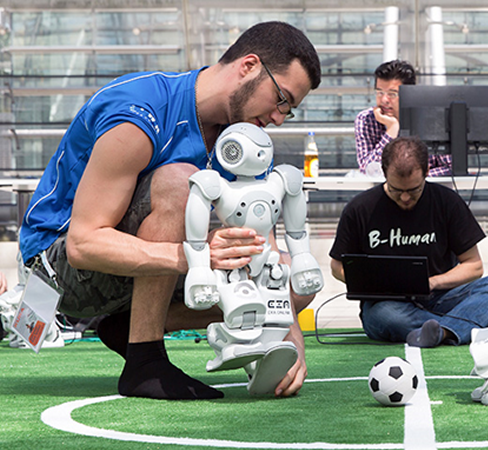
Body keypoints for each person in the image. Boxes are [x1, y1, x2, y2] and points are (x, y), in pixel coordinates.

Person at [18, 21, 321, 400]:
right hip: (58, 268)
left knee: (294, 284)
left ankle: (125, 327)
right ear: (248, 66)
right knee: (180, 179)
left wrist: (288, 339)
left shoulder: (243, 139)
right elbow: (84, 244)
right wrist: (196, 255)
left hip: (138, 266)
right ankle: (144, 362)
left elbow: (263, 246)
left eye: (289, 110)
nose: (279, 117)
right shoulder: (139, 111)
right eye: (282, 99)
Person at [329, 136, 488, 347]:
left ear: (427, 172)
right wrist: (373, 284)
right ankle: (461, 326)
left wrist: (433, 282)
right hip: (389, 304)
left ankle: (443, 331)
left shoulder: (447, 202)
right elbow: (337, 267)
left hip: (443, 297)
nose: (405, 198)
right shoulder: (360, 208)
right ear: (384, 174)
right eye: (396, 190)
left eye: (414, 190)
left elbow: (474, 266)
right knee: (385, 317)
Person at [354, 60, 451, 177]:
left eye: (392, 94)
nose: (384, 100)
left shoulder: (431, 119)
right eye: (380, 92)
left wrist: (411, 180)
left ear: (410, 94)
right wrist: (391, 130)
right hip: (383, 193)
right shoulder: (365, 120)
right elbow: (367, 171)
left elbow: (451, 168)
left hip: (427, 191)